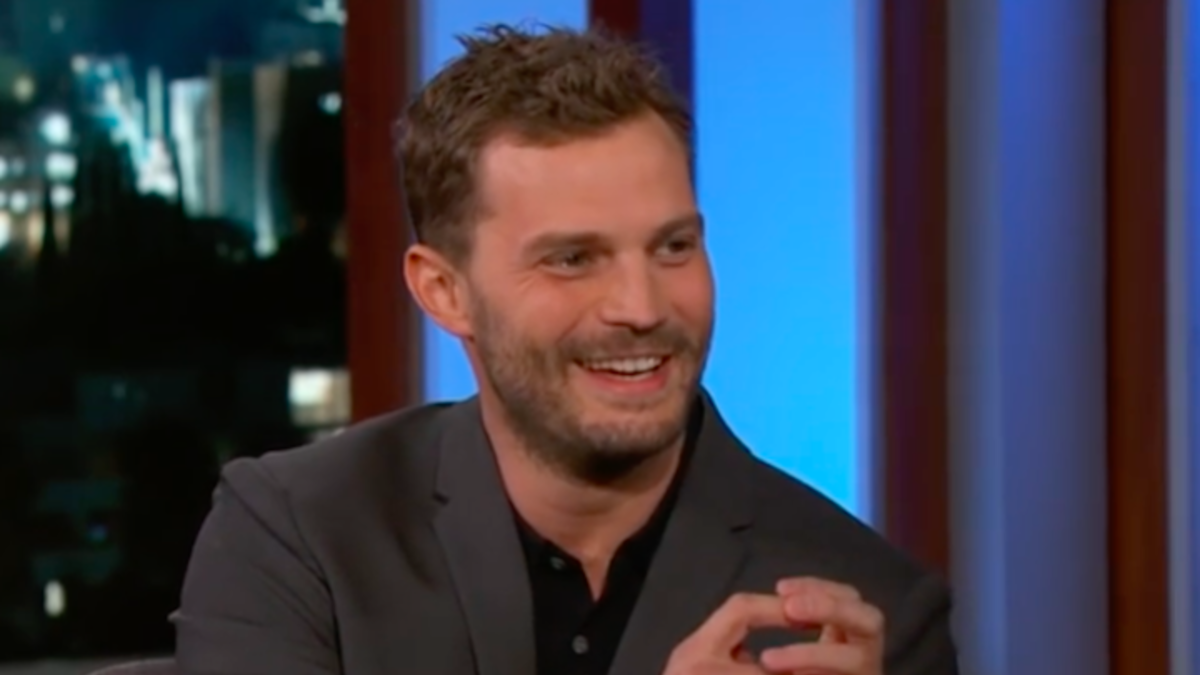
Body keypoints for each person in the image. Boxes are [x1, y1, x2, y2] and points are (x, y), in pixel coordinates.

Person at [173, 24, 959, 675]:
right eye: (573, 258)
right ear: (444, 290)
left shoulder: (868, 615)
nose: (641, 307)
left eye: (673, 246)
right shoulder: (300, 540)